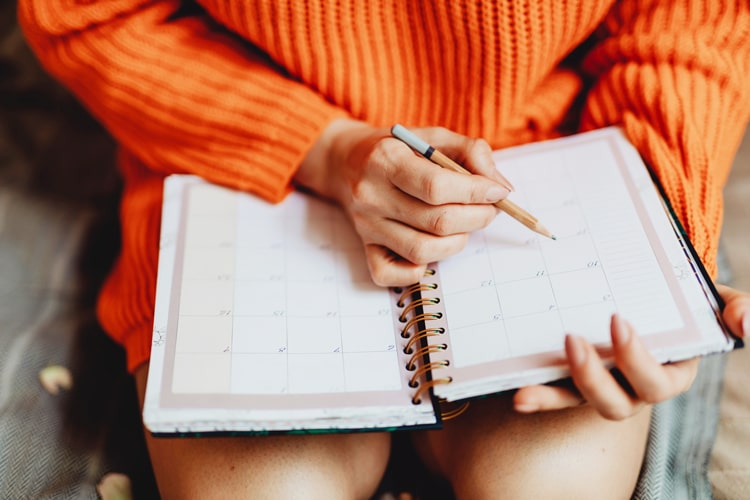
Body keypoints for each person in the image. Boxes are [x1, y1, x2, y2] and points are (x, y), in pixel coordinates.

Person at [18, 0, 750, 497]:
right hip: (239, 158)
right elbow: (92, 16)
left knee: (554, 485)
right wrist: (324, 148)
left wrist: (660, 243)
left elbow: (689, 25)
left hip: (542, 157)